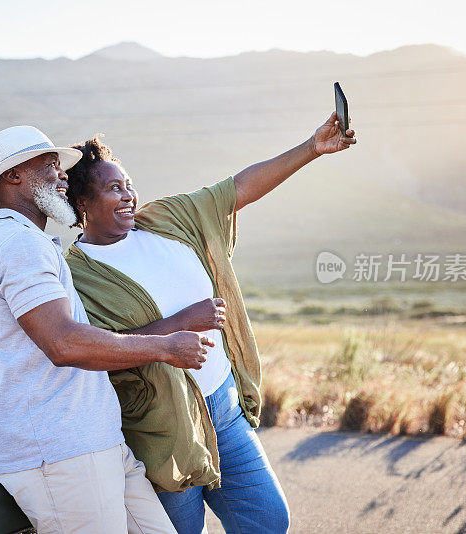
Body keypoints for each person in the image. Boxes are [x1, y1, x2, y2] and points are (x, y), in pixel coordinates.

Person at [64, 113, 357, 534]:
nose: (128, 195)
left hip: (224, 406)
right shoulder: (77, 275)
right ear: (82, 204)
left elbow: (236, 189)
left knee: (268, 520)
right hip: (163, 430)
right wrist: (181, 322)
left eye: (128, 184)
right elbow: (96, 350)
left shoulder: (167, 219)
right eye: (114, 188)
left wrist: (312, 147)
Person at [0, 125, 216, 533]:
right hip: (59, 455)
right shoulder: (17, 244)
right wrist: (164, 346)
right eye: (50, 166)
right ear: (13, 177)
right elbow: (64, 344)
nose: (63, 175)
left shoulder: (30, 241)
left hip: (96, 441)